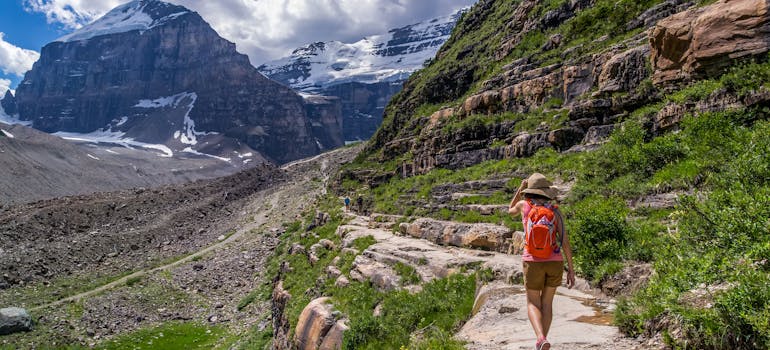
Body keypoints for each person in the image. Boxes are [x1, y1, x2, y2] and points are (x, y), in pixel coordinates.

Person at [508, 173, 575, 350]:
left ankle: (540, 338)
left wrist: (519, 190)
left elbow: (510, 210)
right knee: (547, 303)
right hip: (555, 262)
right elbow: (565, 242)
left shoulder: (524, 206)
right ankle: (543, 341)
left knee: (532, 302)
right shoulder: (555, 210)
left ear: (529, 190)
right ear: (546, 192)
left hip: (532, 261)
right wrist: (571, 270)